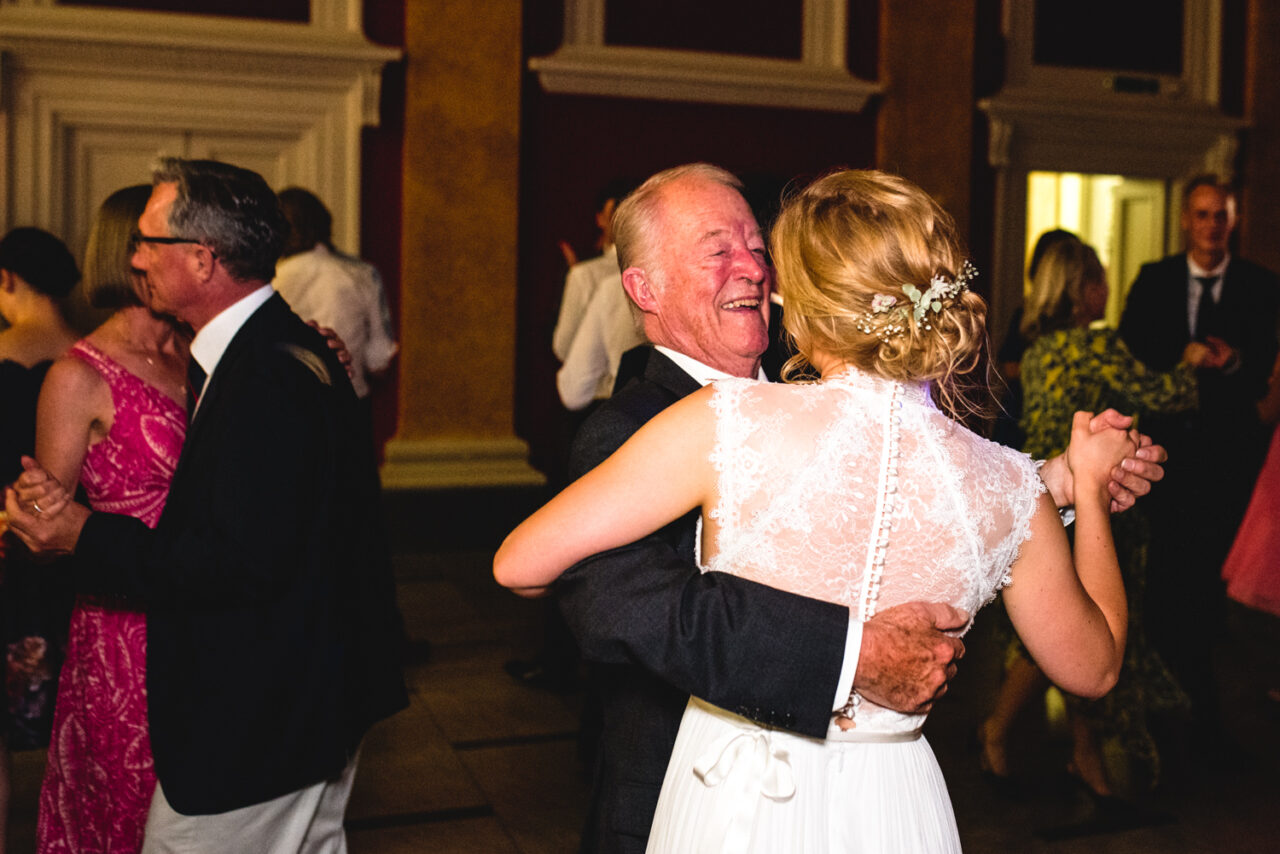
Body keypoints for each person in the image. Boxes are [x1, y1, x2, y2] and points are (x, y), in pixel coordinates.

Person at [495, 163, 1165, 853]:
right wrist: (1085, 488)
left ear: (803, 299)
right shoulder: (1005, 485)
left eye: (763, 251)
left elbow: (520, 562)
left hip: (732, 804)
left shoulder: (721, 421)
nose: (755, 271)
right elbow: (1097, 667)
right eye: (721, 249)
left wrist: (1061, 486)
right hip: (890, 803)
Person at [5, 158, 407, 853]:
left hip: (257, 702)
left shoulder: (267, 372)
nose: (134, 258)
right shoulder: (268, 351)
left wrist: (81, 533)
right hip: (277, 682)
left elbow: (236, 561)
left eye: (150, 242)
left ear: (202, 258)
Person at [981, 235, 1215, 798]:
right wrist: (1190, 365)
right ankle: (1005, 733)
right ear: (1084, 290)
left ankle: (1078, 753)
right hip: (1091, 507)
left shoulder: (1036, 349)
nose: (1109, 289)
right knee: (1085, 632)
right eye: (1102, 278)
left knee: (1046, 632)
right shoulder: (1098, 347)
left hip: (1037, 496)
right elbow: (1163, 394)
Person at [26, 185, 185, 853]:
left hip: (207, 604)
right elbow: (47, 530)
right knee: (132, 812)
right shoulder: (77, 375)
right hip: (125, 632)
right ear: (130, 254)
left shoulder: (200, 350)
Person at [1118, 174, 1280, 730]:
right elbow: (1129, 355)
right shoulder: (1154, 280)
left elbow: (1266, 371)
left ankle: (1207, 712)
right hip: (1163, 459)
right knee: (1164, 579)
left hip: (1230, 459)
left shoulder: (1260, 286)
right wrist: (1177, 357)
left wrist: (1234, 362)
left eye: (1222, 215)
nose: (1213, 226)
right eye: (1203, 215)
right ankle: (1160, 701)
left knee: (1215, 586)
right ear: (1186, 220)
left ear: (1233, 221)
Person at [0, 226, 80, 854]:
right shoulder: (97, 361)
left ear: (7, 280)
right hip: (76, 561)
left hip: (2, 559)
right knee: (78, 733)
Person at [273, 187, 397, 402]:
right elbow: (379, 360)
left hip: (285, 402)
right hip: (348, 401)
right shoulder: (363, 274)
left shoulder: (270, 279)